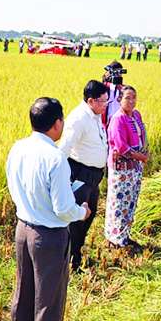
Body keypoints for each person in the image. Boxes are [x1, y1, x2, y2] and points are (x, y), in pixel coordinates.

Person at [7, 97, 92, 321]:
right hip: (49, 236)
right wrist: (82, 212)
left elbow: (13, 186)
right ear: (56, 124)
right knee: (48, 301)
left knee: (24, 292)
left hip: (23, 229)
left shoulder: (18, 148)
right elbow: (63, 208)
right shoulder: (56, 158)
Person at [59, 80, 110, 272]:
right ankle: (70, 261)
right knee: (76, 221)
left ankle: (76, 255)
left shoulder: (95, 116)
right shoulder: (79, 118)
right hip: (81, 176)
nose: (106, 105)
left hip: (93, 178)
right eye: (103, 101)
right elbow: (64, 149)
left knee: (89, 216)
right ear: (91, 101)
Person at [104, 86, 149, 252]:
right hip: (122, 170)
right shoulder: (118, 119)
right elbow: (122, 147)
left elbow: (142, 136)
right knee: (119, 203)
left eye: (134, 97)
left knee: (131, 202)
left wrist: (144, 152)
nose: (131, 101)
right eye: (127, 98)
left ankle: (124, 236)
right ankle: (115, 240)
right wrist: (141, 157)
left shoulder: (136, 115)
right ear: (119, 100)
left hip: (135, 167)